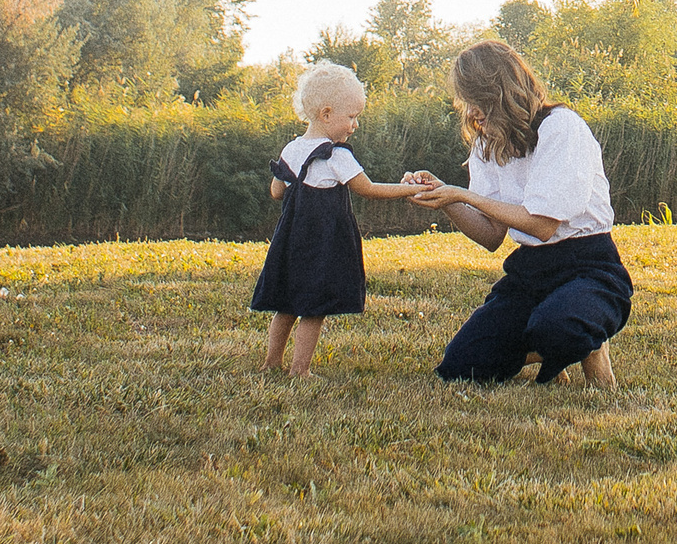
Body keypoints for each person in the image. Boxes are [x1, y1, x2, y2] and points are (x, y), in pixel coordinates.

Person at [403, 40, 631, 386]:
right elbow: (491, 235)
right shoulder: (487, 143)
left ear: (500, 92)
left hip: (589, 266)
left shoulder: (561, 127)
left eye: (476, 100)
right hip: (531, 270)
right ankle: (557, 341)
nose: (471, 112)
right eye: (466, 102)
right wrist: (446, 199)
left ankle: (582, 341)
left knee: (557, 329)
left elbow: (541, 225)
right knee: (460, 367)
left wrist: (464, 195)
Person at [251, 60, 420, 376]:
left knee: (286, 304)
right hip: (321, 243)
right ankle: (299, 370)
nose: (355, 125)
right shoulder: (336, 155)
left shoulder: (292, 148)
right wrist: (406, 190)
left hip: (290, 241)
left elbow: (276, 192)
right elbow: (367, 189)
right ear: (326, 114)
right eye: (352, 117)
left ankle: (271, 362)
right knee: (313, 308)